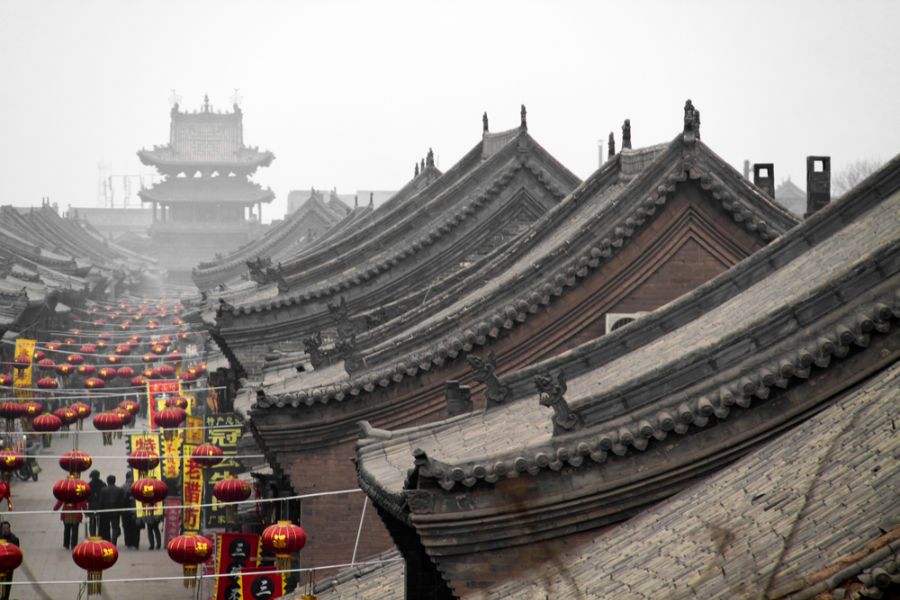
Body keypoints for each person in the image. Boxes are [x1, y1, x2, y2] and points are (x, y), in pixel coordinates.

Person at [98, 475, 124, 544]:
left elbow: (101, 502)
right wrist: (121, 511)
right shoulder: (119, 489)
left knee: (106, 528)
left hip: (106, 512)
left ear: (107, 481)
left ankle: (107, 541)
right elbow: (121, 501)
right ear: (114, 481)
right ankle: (114, 542)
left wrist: (99, 511)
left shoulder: (103, 490)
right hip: (116, 511)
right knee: (115, 527)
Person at [121, 471, 141, 549]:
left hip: (126, 512)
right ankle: (135, 543)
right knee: (135, 528)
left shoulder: (123, 487)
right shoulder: (137, 486)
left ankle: (129, 543)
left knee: (127, 527)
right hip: (134, 511)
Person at [0, 522, 19, 600]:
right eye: (4, 528)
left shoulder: (14, 539)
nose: (6, 530)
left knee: (7, 584)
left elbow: (17, 553)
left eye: (7, 528)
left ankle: (5, 598)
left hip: (8, 567)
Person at [87, 470, 105, 537]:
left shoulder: (88, 485)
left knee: (92, 523)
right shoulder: (102, 484)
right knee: (100, 523)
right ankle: (100, 535)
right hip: (101, 506)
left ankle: (92, 535)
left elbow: (87, 497)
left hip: (92, 506)